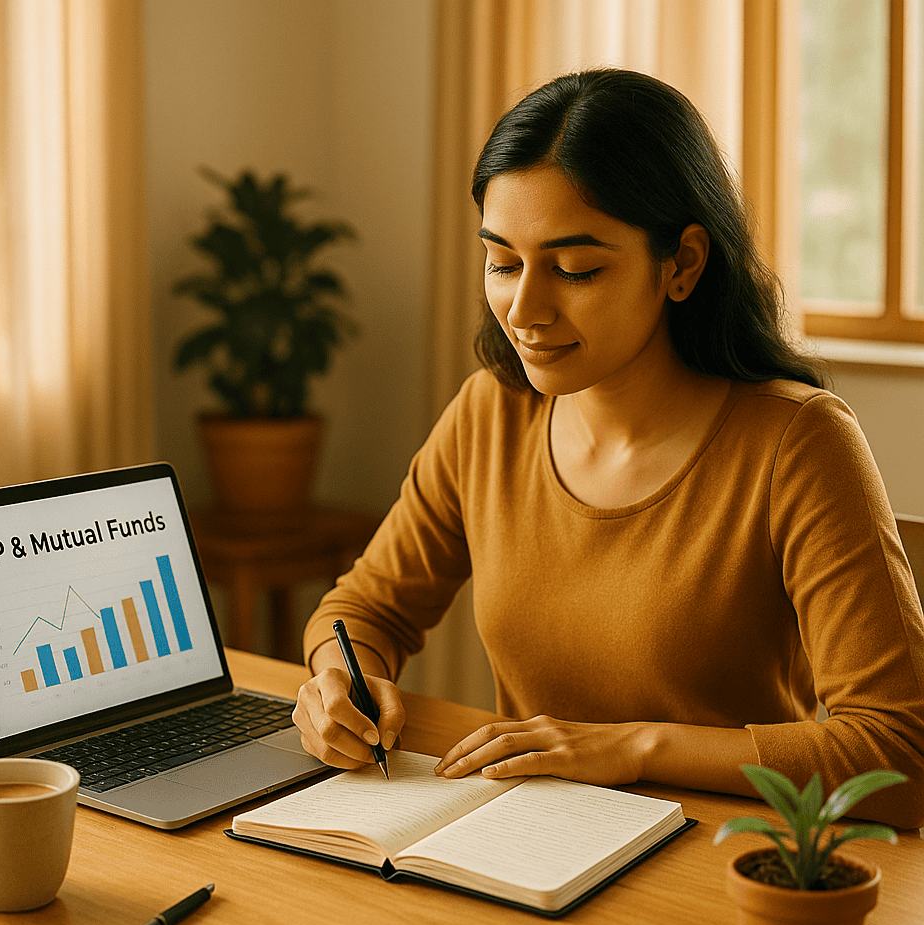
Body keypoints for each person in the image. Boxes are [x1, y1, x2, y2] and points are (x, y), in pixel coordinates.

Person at [292, 69, 924, 829]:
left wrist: (637, 748)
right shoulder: (491, 414)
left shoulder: (799, 442)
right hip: (526, 856)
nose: (523, 310)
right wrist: (337, 684)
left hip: (716, 872)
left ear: (683, 264)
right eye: (501, 262)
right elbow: (362, 611)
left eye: (575, 269)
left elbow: (900, 752)